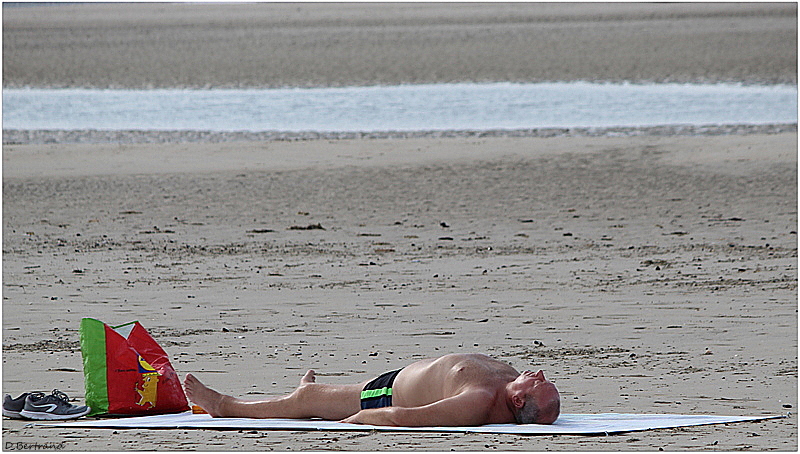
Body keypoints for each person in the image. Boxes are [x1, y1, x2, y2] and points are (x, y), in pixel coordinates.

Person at [184, 353, 560, 426]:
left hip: (384, 395)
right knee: (315, 396)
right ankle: (315, 394)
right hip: (398, 377)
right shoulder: (507, 378)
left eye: (539, 382)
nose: (539, 372)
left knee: (306, 402)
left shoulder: (476, 402)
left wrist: (358, 418)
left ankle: (223, 404)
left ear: (518, 399)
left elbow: (403, 417)